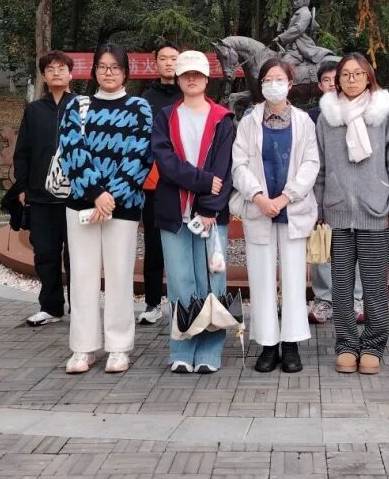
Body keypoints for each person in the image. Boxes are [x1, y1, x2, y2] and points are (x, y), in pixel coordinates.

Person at [58, 42, 153, 374]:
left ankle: (118, 347)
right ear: (94, 70)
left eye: (115, 67)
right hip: (82, 204)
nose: (108, 72)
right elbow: (72, 151)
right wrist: (96, 193)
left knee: (119, 276)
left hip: (122, 207)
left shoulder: (139, 108)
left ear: (125, 72)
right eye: (102, 66)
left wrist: (111, 196)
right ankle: (83, 348)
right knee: (82, 276)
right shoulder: (76, 106)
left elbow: (140, 155)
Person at [314, 53, 389, 375]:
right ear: (337, 80)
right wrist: (320, 207)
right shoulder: (327, 118)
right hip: (337, 214)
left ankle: (373, 345)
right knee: (340, 287)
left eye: (357, 73)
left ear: (368, 77)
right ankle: (346, 344)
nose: (351, 79)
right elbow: (320, 167)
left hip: (375, 212)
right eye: (345, 74)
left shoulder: (383, 115)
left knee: (374, 285)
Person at [232, 58, 319, 373]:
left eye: (279, 79)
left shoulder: (304, 121)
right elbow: (239, 164)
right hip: (259, 209)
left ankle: (291, 344)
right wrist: (258, 196)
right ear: (261, 84)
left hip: (292, 208)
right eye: (267, 79)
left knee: (294, 279)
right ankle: (268, 344)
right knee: (261, 278)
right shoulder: (249, 121)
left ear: (290, 84)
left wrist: (284, 198)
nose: (273, 84)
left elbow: (310, 164)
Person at [151, 50, 236, 374]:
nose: (191, 79)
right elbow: (166, 163)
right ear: (178, 78)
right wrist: (202, 181)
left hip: (211, 216)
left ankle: (210, 349)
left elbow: (225, 170)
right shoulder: (166, 116)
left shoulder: (222, 118)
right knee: (180, 281)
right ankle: (182, 347)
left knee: (212, 279)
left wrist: (209, 208)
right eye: (186, 74)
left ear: (206, 78)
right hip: (174, 213)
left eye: (197, 74)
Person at [12, 50, 75, 328]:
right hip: (40, 196)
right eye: (50, 69)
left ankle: (80, 307)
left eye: (61, 68)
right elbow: (22, 151)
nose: (56, 73)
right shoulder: (34, 110)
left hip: (76, 197)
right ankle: (51, 307)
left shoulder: (83, 107)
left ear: (71, 73)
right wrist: (23, 186)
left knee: (77, 256)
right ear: (43, 76)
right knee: (45, 255)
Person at [306, 61, 364, 325]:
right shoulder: (312, 117)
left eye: (335, 79)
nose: (332, 84)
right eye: (326, 80)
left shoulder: (361, 111)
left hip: (357, 193)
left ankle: (356, 300)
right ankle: (324, 300)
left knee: (357, 247)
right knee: (323, 245)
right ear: (320, 85)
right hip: (324, 189)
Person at [138, 41, 182, 325]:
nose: (168, 63)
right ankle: (152, 303)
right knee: (154, 245)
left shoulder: (189, 94)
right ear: (155, 64)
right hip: (153, 182)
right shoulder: (145, 99)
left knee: (183, 245)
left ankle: (183, 303)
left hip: (184, 183)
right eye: (163, 59)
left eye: (173, 58)